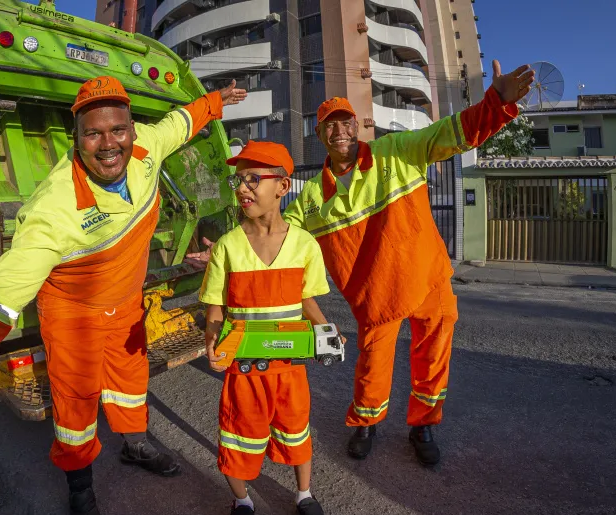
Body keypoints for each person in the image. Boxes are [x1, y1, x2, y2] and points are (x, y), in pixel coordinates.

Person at [0, 75, 247, 515]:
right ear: (77, 138)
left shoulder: (146, 145)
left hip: (125, 304)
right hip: (72, 315)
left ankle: (134, 444)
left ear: (131, 129)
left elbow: (180, 122)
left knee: (131, 382)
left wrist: (217, 100)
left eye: (118, 130)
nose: (109, 144)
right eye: (94, 133)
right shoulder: (55, 207)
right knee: (76, 405)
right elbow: (6, 289)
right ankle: (81, 489)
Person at [189, 60, 535, 467]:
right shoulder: (315, 195)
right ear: (319, 135)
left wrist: (496, 102)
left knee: (434, 356)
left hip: (428, 278)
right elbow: (270, 229)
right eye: (329, 125)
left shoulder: (398, 151)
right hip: (377, 294)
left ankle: (424, 424)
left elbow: (454, 133)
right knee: (372, 364)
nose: (338, 131)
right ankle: (366, 423)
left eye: (345, 122)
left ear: (357, 128)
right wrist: (224, 251)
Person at [200, 141, 343, 515]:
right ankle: (242, 501)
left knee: (298, 434)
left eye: (252, 179)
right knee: (238, 438)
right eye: (237, 180)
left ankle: (304, 494)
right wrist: (213, 339)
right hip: (243, 371)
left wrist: (325, 331)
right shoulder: (227, 247)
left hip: (289, 369)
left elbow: (306, 300)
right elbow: (214, 308)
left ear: (282, 187)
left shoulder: (304, 245)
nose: (241, 189)